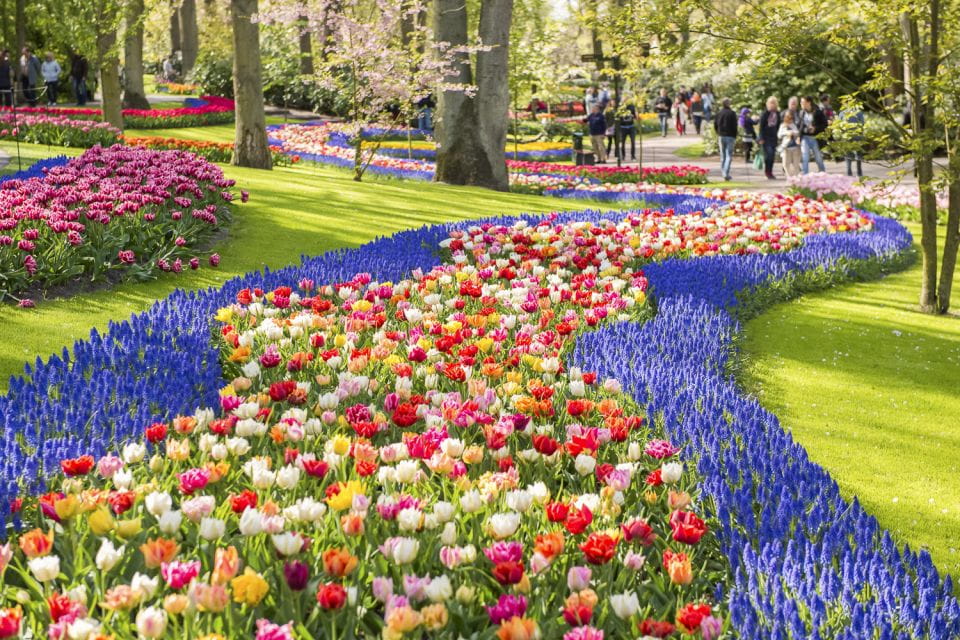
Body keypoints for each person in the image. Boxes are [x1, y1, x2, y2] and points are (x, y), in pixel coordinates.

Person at [799, 95, 828, 173]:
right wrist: (799, 136)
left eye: (802, 102)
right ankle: (805, 175)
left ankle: (822, 172)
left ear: (808, 102)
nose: (801, 103)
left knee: (818, 157)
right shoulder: (802, 113)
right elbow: (800, 126)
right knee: (805, 157)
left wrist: (815, 128)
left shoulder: (818, 112)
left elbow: (825, 124)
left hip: (815, 138)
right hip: (805, 137)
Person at [757, 96, 782, 180]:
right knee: (769, 154)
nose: (772, 104)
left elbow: (778, 126)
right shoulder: (765, 113)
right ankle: (767, 172)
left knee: (772, 156)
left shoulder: (777, 114)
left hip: (774, 137)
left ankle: (770, 171)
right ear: (768, 104)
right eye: (771, 103)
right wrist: (760, 138)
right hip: (765, 137)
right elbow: (761, 126)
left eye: (773, 103)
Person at [714, 98, 738, 181]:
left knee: (723, 155)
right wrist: (735, 135)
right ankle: (725, 173)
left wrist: (718, 132)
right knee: (728, 155)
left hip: (721, 135)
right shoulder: (732, 113)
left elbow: (715, 124)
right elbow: (735, 125)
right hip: (730, 136)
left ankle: (723, 172)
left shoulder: (719, 113)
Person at [841, 107, 865, 178]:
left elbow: (840, 126)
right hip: (857, 135)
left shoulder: (842, 113)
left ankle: (849, 173)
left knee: (848, 154)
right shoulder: (859, 112)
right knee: (858, 154)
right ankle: (859, 173)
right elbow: (862, 124)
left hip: (847, 136)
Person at [778, 111, 802, 177]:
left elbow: (798, 132)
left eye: (791, 118)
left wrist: (792, 132)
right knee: (785, 164)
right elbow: (779, 135)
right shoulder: (782, 126)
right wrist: (786, 133)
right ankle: (789, 177)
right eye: (788, 117)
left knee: (796, 164)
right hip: (786, 147)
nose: (790, 119)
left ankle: (797, 178)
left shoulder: (793, 125)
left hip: (795, 147)